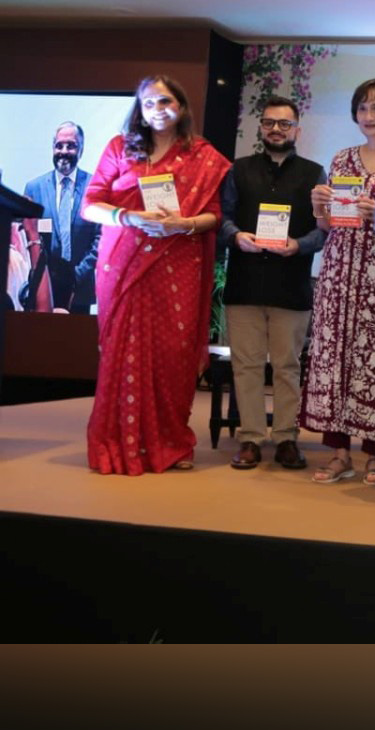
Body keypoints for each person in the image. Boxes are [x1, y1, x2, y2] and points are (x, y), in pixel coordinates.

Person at [80, 75, 230, 474]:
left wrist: (185, 224)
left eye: (165, 101)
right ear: (140, 110)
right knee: (122, 351)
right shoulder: (120, 148)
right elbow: (89, 204)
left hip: (177, 263)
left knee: (172, 354)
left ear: (180, 106)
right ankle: (118, 441)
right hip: (125, 264)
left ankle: (170, 443)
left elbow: (215, 216)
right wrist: (127, 216)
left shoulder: (202, 155)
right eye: (148, 103)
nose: (157, 110)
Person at [302, 79, 375, 485]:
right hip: (339, 273)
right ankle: (339, 453)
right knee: (335, 358)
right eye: (362, 108)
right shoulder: (342, 159)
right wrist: (318, 209)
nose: (369, 116)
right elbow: (328, 225)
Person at [220, 95, 327, 472]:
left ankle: (285, 438)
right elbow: (222, 217)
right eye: (269, 123)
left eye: (284, 124)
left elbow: (323, 230)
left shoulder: (315, 174)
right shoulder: (238, 170)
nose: (276, 129)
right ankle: (250, 437)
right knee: (246, 365)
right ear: (261, 128)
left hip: (291, 284)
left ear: (297, 129)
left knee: (287, 366)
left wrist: (299, 245)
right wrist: (236, 237)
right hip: (244, 283)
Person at [22, 122, 101, 313]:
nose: (64, 151)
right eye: (59, 145)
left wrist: (74, 276)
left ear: (81, 150)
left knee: (77, 334)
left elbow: (101, 238)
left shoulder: (95, 187)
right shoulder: (34, 188)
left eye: (71, 146)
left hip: (80, 289)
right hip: (42, 288)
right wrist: (46, 276)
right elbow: (27, 235)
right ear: (53, 148)